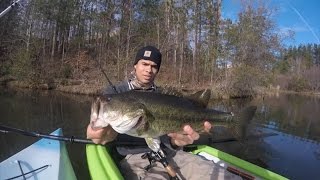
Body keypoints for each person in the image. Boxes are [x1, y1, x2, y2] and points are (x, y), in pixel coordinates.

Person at [87, 46, 241, 180]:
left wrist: (176, 142)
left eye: (154, 66)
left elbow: (169, 138)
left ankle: (233, 121)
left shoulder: (163, 96)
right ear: (135, 65)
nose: (148, 69)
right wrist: (100, 133)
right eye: (144, 64)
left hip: (173, 155)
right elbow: (95, 132)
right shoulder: (115, 94)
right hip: (135, 160)